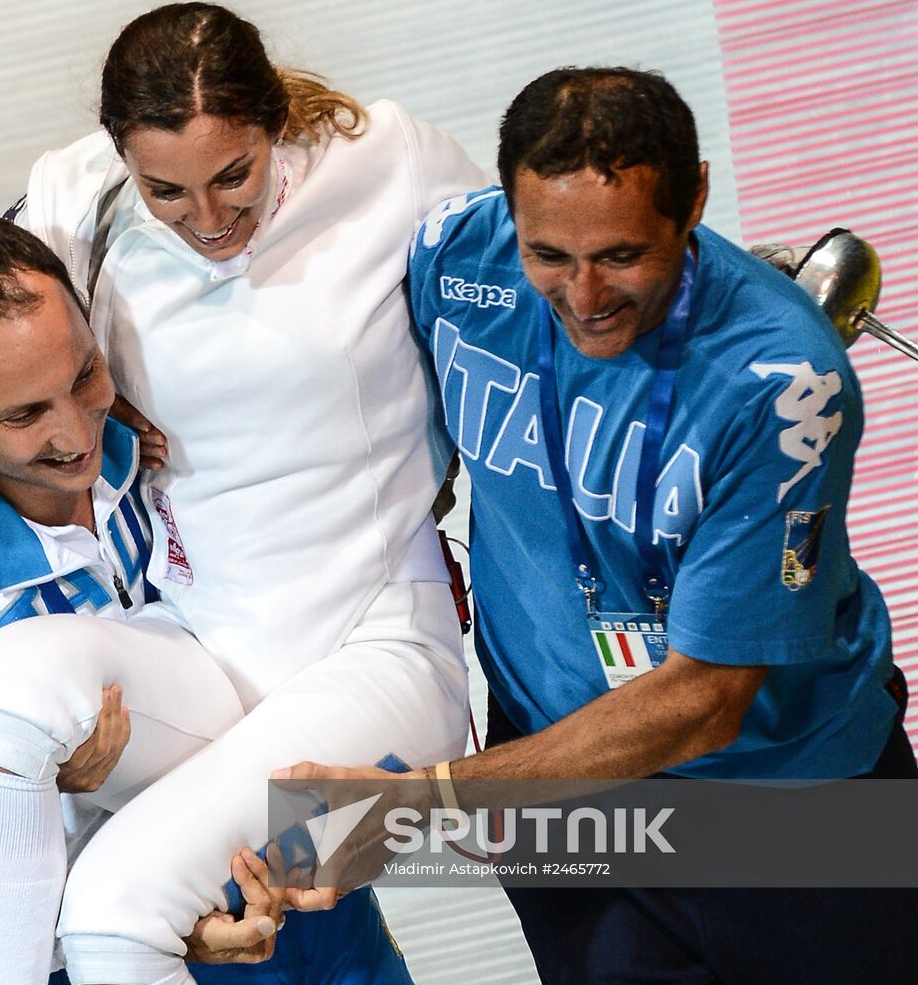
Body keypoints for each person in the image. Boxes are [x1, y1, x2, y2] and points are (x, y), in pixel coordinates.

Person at [0, 2, 486, 984]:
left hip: (375, 647)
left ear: (275, 125)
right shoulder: (81, 195)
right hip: (202, 644)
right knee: (5, 693)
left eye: (235, 174)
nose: (211, 219)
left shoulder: (392, 161)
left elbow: (551, 298)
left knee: (115, 913)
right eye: (168, 191)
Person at [285, 67, 917, 983]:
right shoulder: (454, 261)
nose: (583, 297)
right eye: (548, 254)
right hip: (553, 782)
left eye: (622, 255)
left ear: (694, 197)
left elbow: (702, 702)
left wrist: (399, 816)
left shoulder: (784, 387)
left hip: (786, 800)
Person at [0, 212, 413, 982]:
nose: (77, 431)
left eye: (81, 377)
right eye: (24, 414)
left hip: (316, 894)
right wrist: (155, 910)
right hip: (141, 937)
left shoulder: (163, 396)